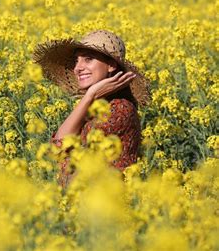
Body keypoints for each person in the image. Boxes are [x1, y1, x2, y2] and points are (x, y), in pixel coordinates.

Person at [33, 30, 150, 187]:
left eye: (88, 59)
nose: (77, 68)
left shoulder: (119, 109)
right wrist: (89, 98)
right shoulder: (95, 106)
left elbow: (59, 152)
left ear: (111, 65)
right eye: (76, 61)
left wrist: (89, 96)